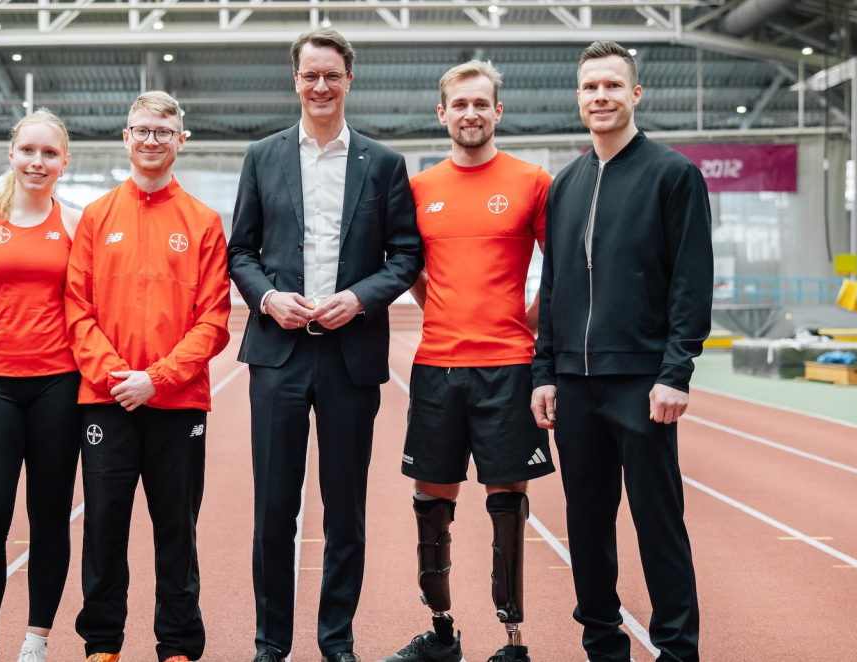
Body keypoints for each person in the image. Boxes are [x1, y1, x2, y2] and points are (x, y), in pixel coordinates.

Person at [227, 27, 423, 662]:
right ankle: (270, 643)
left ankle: (336, 640)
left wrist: (361, 298)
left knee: (345, 511)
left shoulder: (384, 163)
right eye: (310, 74)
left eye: (331, 75)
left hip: (349, 357)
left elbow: (405, 255)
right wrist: (266, 298)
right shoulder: (263, 156)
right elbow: (241, 251)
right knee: (274, 509)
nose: (320, 86)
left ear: (348, 80)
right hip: (278, 355)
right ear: (295, 80)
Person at [529, 41, 713, 662]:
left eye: (612, 86)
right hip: (575, 386)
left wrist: (675, 371)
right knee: (586, 525)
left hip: (642, 382)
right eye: (590, 88)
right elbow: (552, 285)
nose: (600, 97)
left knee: (659, 522)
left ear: (635, 94)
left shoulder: (673, 175)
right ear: (578, 98)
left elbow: (691, 281)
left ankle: (677, 650)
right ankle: (603, 646)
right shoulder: (565, 186)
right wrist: (543, 371)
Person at [380, 60, 552, 662]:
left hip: (509, 367)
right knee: (432, 501)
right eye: (460, 104)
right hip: (437, 367)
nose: (471, 113)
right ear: (443, 113)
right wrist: (443, 311)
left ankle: (513, 641)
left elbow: (559, 270)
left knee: (507, 505)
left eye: (482, 103)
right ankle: (443, 633)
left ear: (497, 111)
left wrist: (525, 322)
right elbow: (411, 271)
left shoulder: (533, 181)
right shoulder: (420, 188)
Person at [65, 91, 231, 662]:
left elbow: (213, 319)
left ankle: (179, 646)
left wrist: (157, 379)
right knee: (103, 529)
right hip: (105, 402)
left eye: (163, 131)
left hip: (178, 404)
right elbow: (76, 309)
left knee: (175, 534)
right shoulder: (96, 216)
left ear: (180, 139)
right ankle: (102, 646)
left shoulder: (204, 222)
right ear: (126, 137)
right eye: (142, 130)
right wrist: (117, 378)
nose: (152, 140)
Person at [0, 109, 84, 662]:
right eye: (29, 150)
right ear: (11, 154)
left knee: (50, 519)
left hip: (58, 386)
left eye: (50, 153)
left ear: (64, 162)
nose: (38, 162)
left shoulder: (77, 223)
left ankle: (36, 640)